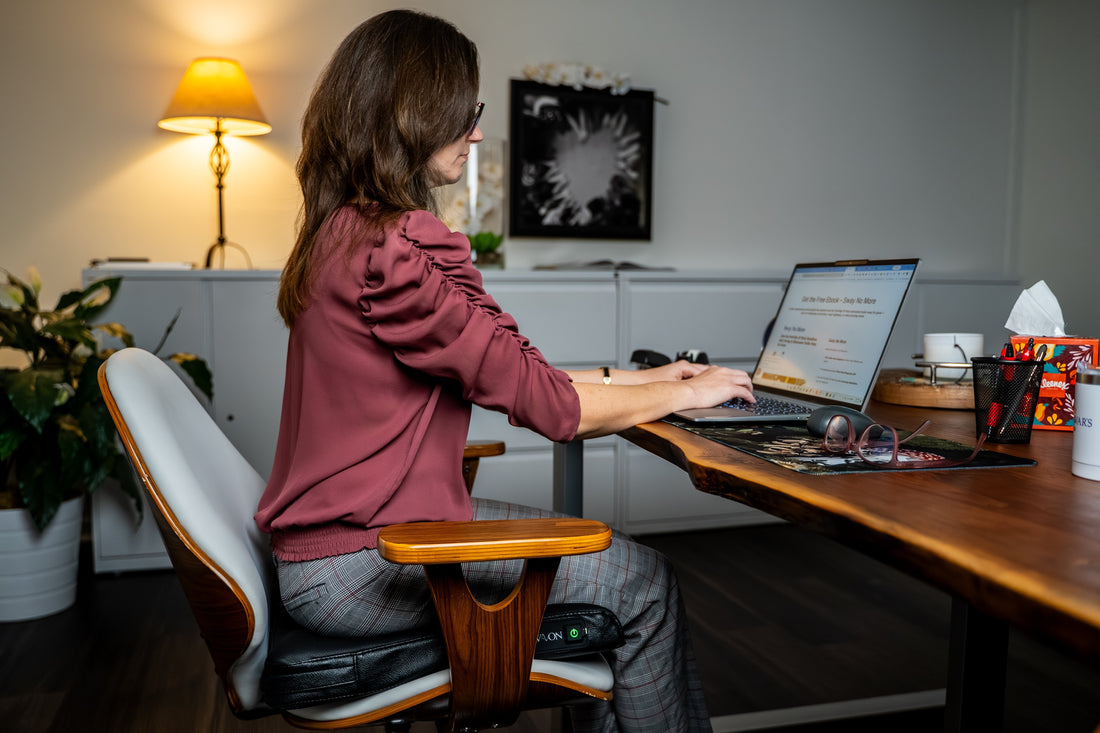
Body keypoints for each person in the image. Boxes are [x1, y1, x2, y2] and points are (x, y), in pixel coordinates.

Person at [254, 9, 754, 732]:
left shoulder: (344, 233)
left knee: (617, 569)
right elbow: (553, 406)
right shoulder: (392, 255)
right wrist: (691, 392)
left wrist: (662, 381)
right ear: (411, 114)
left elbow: (521, 372)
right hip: (362, 561)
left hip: (344, 548)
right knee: (645, 583)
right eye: (466, 112)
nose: (479, 132)